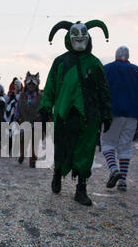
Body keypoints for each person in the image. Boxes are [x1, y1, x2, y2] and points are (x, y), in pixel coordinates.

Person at [40, 19, 112, 206]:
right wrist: (45, 107)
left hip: (89, 115)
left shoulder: (95, 63)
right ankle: (58, 173)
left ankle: (81, 188)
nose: (79, 37)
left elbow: (103, 89)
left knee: (85, 150)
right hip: (64, 114)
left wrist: (106, 113)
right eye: (75, 34)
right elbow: (50, 87)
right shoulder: (60, 62)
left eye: (83, 34)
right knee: (62, 147)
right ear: (68, 37)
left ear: (88, 37)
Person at [101, 46, 138, 190]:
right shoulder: (137, 71)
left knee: (108, 143)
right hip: (132, 115)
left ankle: (114, 170)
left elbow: (100, 90)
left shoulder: (107, 69)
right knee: (125, 146)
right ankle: (122, 180)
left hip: (112, 113)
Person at [15, 72, 42, 168]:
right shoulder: (22, 96)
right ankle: (22, 154)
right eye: (29, 84)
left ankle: (33, 159)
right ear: (26, 84)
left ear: (36, 85)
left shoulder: (40, 96)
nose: (31, 86)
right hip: (24, 120)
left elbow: (42, 109)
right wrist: (18, 117)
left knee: (35, 141)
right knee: (23, 140)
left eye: (33, 85)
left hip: (36, 121)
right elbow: (18, 107)